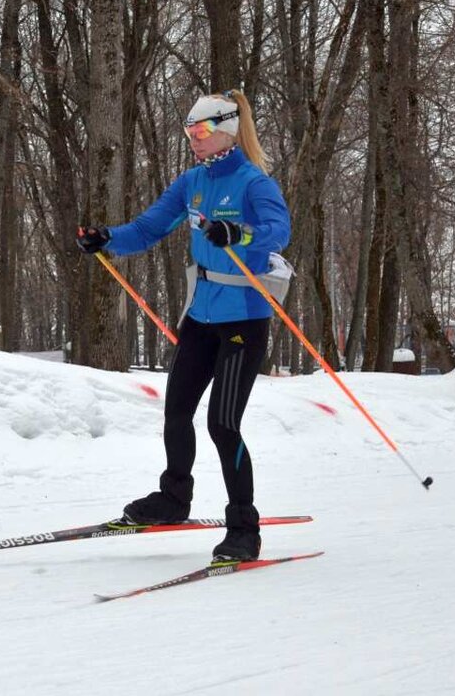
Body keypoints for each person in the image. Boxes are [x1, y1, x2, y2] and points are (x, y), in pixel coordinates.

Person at [76, 90, 291, 562]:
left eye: (201, 132)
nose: (193, 140)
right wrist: (107, 238)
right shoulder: (192, 181)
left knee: (223, 425)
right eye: (189, 132)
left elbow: (280, 230)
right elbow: (149, 227)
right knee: (176, 412)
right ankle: (173, 499)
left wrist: (242, 233)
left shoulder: (254, 183)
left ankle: (243, 528)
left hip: (244, 319)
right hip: (201, 316)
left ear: (226, 130)